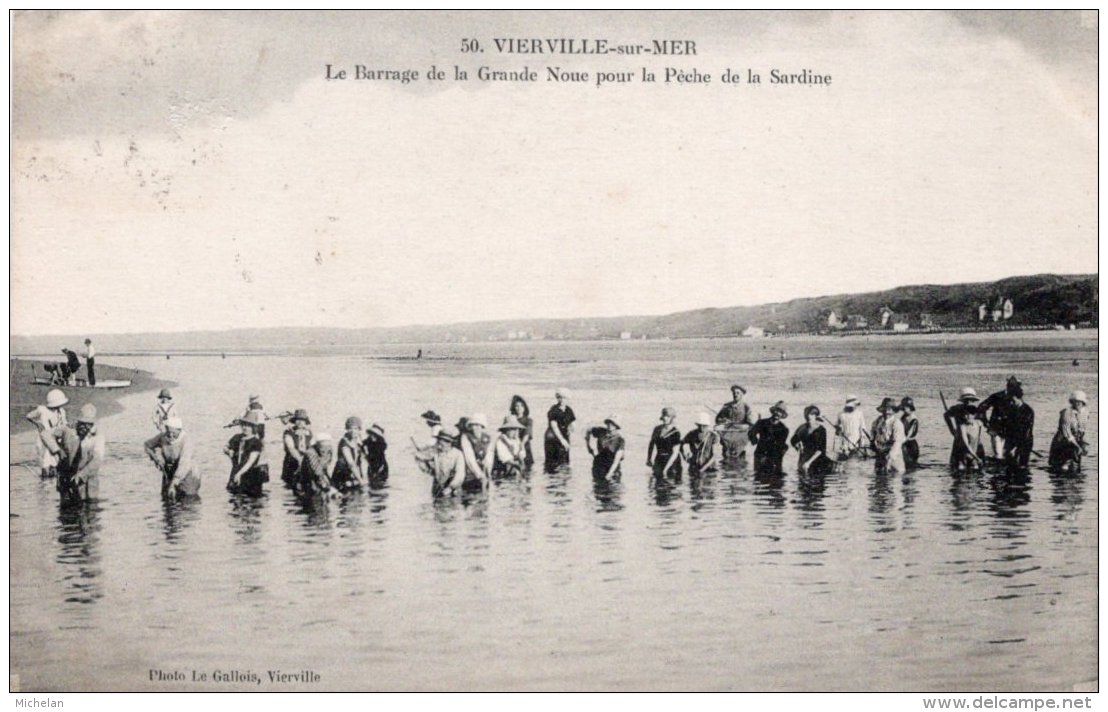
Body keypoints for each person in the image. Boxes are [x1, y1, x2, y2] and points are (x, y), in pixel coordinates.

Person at [53, 404, 104, 505]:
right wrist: (58, 449)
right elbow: (48, 435)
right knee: (65, 511)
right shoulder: (69, 430)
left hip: (87, 481)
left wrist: (80, 476)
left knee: (89, 509)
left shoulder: (98, 437)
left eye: (88, 424)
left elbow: (97, 460)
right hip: (66, 478)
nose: (84, 427)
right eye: (82, 423)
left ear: (93, 424)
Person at [144, 416, 201, 499]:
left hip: (188, 473)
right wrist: (156, 459)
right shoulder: (162, 437)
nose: (170, 435)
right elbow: (147, 445)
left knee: (187, 500)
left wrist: (174, 483)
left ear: (179, 430)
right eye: (168, 432)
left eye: (173, 433)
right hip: (169, 471)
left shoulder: (186, 441)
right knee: (167, 499)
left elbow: (184, 464)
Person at [25, 388, 68, 477]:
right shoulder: (42, 410)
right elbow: (28, 416)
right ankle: (44, 481)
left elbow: (64, 424)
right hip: (43, 440)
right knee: (45, 462)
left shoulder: (62, 412)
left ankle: (49, 485)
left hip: (55, 439)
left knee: (55, 462)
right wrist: (37, 423)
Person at [224, 410, 268, 496]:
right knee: (234, 500)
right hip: (235, 472)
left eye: (248, 425)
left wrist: (239, 474)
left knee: (250, 501)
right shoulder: (237, 438)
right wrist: (229, 451)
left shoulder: (256, 442)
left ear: (253, 428)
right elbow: (225, 447)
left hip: (250, 476)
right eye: (243, 425)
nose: (245, 428)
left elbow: (250, 461)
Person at [977, 376, 1021, 458]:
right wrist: (985, 422)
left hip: (1010, 432)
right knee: (998, 455)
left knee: (1009, 455)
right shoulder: (997, 396)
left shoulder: (1017, 399)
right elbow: (981, 408)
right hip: (996, 430)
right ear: (1008, 386)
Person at [1049, 390, 1089, 474]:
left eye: (1080, 402)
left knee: (1076, 466)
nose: (1078, 404)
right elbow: (1066, 433)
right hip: (1062, 442)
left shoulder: (1084, 414)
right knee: (1061, 467)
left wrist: (1084, 445)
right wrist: (1077, 446)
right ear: (1072, 402)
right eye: (1076, 402)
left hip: (1075, 443)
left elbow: (1083, 431)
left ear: (1083, 403)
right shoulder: (1066, 413)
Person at [749, 401, 791, 477]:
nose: (778, 413)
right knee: (758, 478)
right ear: (773, 411)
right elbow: (751, 433)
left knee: (775, 480)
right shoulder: (762, 422)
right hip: (760, 454)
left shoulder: (784, 429)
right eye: (777, 410)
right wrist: (754, 439)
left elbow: (780, 446)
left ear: (782, 415)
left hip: (774, 457)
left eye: (780, 412)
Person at [790, 405, 834, 476]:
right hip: (805, 458)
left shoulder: (821, 430)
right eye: (806, 414)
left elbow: (821, 449)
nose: (808, 416)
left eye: (811, 414)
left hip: (818, 461)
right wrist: (797, 444)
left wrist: (808, 463)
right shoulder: (802, 428)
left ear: (815, 416)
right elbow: (793, 440)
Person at [715, 385, 754, 461]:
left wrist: (741, 426)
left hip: (740, 435)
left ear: (742, 394)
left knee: (739, 458)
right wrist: (724, 420)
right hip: (727, 434)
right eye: (734, 393)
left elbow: (750, 424)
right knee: (726, 457)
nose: (735, 394)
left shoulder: (746, 407)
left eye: (738, 393)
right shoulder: (726, 406)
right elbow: (717, 419)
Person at [1001, 385, 1034, 472]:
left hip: (1024, 442)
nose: (1011, 402)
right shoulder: (1011, 409)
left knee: (1021, 466)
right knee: (1009, 465)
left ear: (1019, 398)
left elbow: (1025, 431)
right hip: (1011, 441)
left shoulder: (1028, 411)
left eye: (1012, 400)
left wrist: (1016, 448)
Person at [871, 398, 907, 475]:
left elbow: (897, 443)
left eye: (889, 410)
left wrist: (889, 459)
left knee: (894, 480)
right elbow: (873, 435)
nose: (887, 412)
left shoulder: (897, 424)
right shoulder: (877, 421)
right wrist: (873, 444)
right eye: (885, 410)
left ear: (893, 411)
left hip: (894, 458)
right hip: (880, 456)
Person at [331, 416, 367, 491]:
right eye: (350, 428)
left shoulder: (358, 442)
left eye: (356, 428)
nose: (353, 431)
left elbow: (362, 460)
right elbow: (351, 463)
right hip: (343, 477)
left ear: (359, 429)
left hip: (354, 476)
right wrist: (361, 481)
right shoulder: (344, 443)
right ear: (347, 429)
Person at [647, 407, 683, 481]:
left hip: (672, 462)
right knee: (657, 485)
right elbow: (651, 443)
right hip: (659, 459)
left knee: (670, 483)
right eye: (664, 416)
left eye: (668, 416)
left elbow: (675, 453)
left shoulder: (676, 433)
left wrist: (666, 469)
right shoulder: (657, 429)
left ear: (672, 418)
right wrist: (649, 458)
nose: (665, 418)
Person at [544, 388, 576, 470]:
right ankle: (553, 479)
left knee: (565, 460)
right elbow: (553, 426)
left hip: (565, 435)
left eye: (564, 397)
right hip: (553, 437)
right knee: (552, 462)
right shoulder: (553, 410)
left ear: (567, 398)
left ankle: (563, 479)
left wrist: (571, 429)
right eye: (559, 397)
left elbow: (572, 422)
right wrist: (562, 440)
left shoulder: (569, 410)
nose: (561, 400)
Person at [459, 414, 493, 490]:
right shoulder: (465, 437)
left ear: (482, 426)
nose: (476, 428)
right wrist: (479, 475)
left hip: (484, 472)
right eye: (473, 425)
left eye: (478, 425)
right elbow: (469, 458)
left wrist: (487, 471)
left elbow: (489, 455)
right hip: (470, 473)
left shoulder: (487, 438)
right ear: (470, 427)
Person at [586, 417, 626, 482]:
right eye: (608, 423)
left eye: (612, 424)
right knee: (597, 488)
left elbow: (616, 461)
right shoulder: (600, 431)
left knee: (613, 488)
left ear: (616, 426)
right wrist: (588, 446)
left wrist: (609, 475)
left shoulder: (620, 440)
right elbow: (588, 430)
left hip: (612, 468)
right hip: (598, 466)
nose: (609, 425)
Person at [297, 433, 336, 497]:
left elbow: (325, 468)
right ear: (317, 445)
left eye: (327, 446)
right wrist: (329, 489)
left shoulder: (329, 450)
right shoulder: (310, 453)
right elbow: (317, 472)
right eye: (322, 447)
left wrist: (330, 484)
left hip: (318, 479)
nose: (324, 450)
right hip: (306, 482)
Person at [430, 428, 466, 497]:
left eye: (441, 444)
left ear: (449, 443)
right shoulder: (435, 453)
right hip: (437, 489)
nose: (439, 446)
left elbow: (460, 475)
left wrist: (450, 488)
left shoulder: (457, 454)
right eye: (438, 442)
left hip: (453, 491)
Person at [280, 409, 313, 486]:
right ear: (294, 421)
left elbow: (312, 448)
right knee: (291, 485)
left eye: (302, 420)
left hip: (306, 461)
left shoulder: (309, 433)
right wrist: (300, 460)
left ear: (305, 422)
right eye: (297, 420)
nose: (300, 422)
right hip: (292, 461)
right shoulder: (288, 432)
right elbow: (291, 448)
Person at [950, 404, 985, 472]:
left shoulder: (979, 424)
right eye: (965, 414)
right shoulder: (962, 426)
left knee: (976, 472)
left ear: (974, 415)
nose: (967, 417)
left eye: (969, 415)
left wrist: (980, 456)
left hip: (973, 456)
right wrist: (977, 458)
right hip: (963, 456)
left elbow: (977, 440)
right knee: (961, 470)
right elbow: (966, 445)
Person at [833, 396, 868, 460]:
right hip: (844, 440)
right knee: (843, 459)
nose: (854, 407)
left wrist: (862, 442)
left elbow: (862, 428)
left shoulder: (859, 413)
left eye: (855, 405)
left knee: (855, 459)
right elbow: (837, 426)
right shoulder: (841, 414)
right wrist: (838, 430)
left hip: (856, 440)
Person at [510, 395, 535, 468]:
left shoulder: (528, 420)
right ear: (514, 407)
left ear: (524, 408)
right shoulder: (510, 419)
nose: (519, 408)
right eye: (517, 406)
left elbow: (527, 433)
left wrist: (522, 444)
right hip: (512, 445)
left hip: (525, 446)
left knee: (528, 468)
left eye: (521, 406)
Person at [899, 397, 920, 470]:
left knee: (910, 465)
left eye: (905, 407)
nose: (903, 410)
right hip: (904, 443)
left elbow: (909, 434)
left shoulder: (913, 419)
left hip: (911, 445)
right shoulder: (903, 417)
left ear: (910, 407)